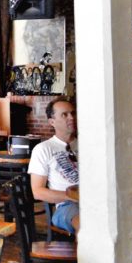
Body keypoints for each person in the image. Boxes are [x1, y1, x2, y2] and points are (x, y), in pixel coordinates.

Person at [28, 96, 80, 233]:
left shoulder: (88, 145)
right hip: (67, 205)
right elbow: (37, 192)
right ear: (52, 122)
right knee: (84, 225)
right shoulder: (44, 149)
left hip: (97, 202)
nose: (71, 118)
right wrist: (72, 196)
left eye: (73, 113)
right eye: (65, 115)